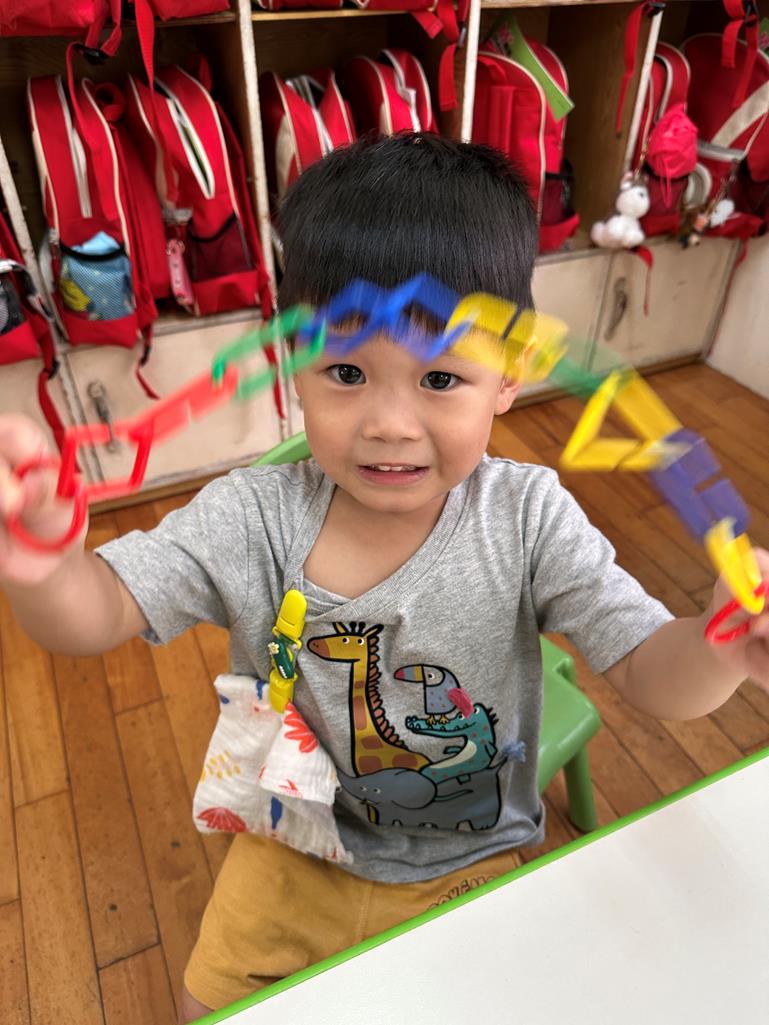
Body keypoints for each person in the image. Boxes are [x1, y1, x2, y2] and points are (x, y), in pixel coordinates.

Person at [0, 134, 767, 1023]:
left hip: (467, 852)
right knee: (203, 1001)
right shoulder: (249, 517)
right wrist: (45, 564)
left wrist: (720, 645)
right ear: (294, 364)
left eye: (440, 377)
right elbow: (93, 614)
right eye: (346, 372)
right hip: (294, 839)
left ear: (508, 374)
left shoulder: (528, 517)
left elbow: (650, 672)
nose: (389, 424)